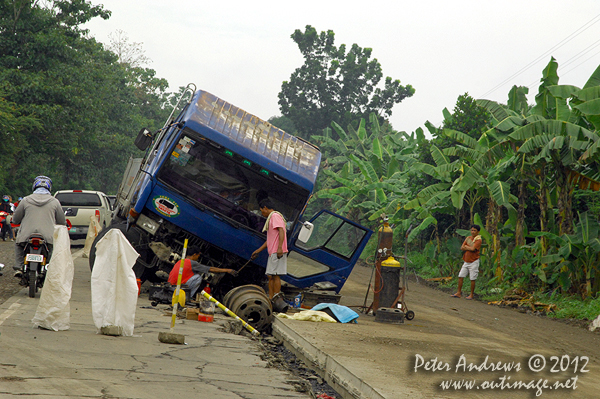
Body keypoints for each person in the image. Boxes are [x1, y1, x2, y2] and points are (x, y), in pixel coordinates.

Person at [12, 176, 66, 277]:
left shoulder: (25, 200)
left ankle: (19, 266)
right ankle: (49, 267)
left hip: (26, 235)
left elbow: (16, 219)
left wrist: (15, 220)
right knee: (52, 249)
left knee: (18, 245)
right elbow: (61, 221)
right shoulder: (54, 202)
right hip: (47, 236)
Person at [251, 199, 288, 300]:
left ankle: (276, 298)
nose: (262, 213)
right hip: (273, 251)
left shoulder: (275, 216)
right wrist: (258, 250)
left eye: (262, 210)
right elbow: (270, 239)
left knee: (275, 275)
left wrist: (280, 247)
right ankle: (271, 297)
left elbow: (282, 230)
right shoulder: (271, 218)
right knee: (270, 276)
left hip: (277, 251)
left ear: (265, 208)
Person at [168, 245, 237, 299]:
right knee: (198, 277)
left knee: (194, 274)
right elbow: (211, 269)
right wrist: (227, 270)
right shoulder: (192, 263)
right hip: (176, 287)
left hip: (170, 285)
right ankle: (187, 297)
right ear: (194, 254)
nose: (198, 257)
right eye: (198, 255)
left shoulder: (181, 261)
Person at [451, 224, 482, 300]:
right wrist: (470, 248)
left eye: (474, 230)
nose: (473, 232)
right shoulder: (468, 238)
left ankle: (471, 294)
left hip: (474, 261)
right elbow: (462, 247)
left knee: (472, 278)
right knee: (460, 276)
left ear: (478, 232)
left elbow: (473, 249)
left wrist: (467, 247)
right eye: (472, 230)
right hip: (466, 261)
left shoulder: (478, 240)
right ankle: (458, 292)